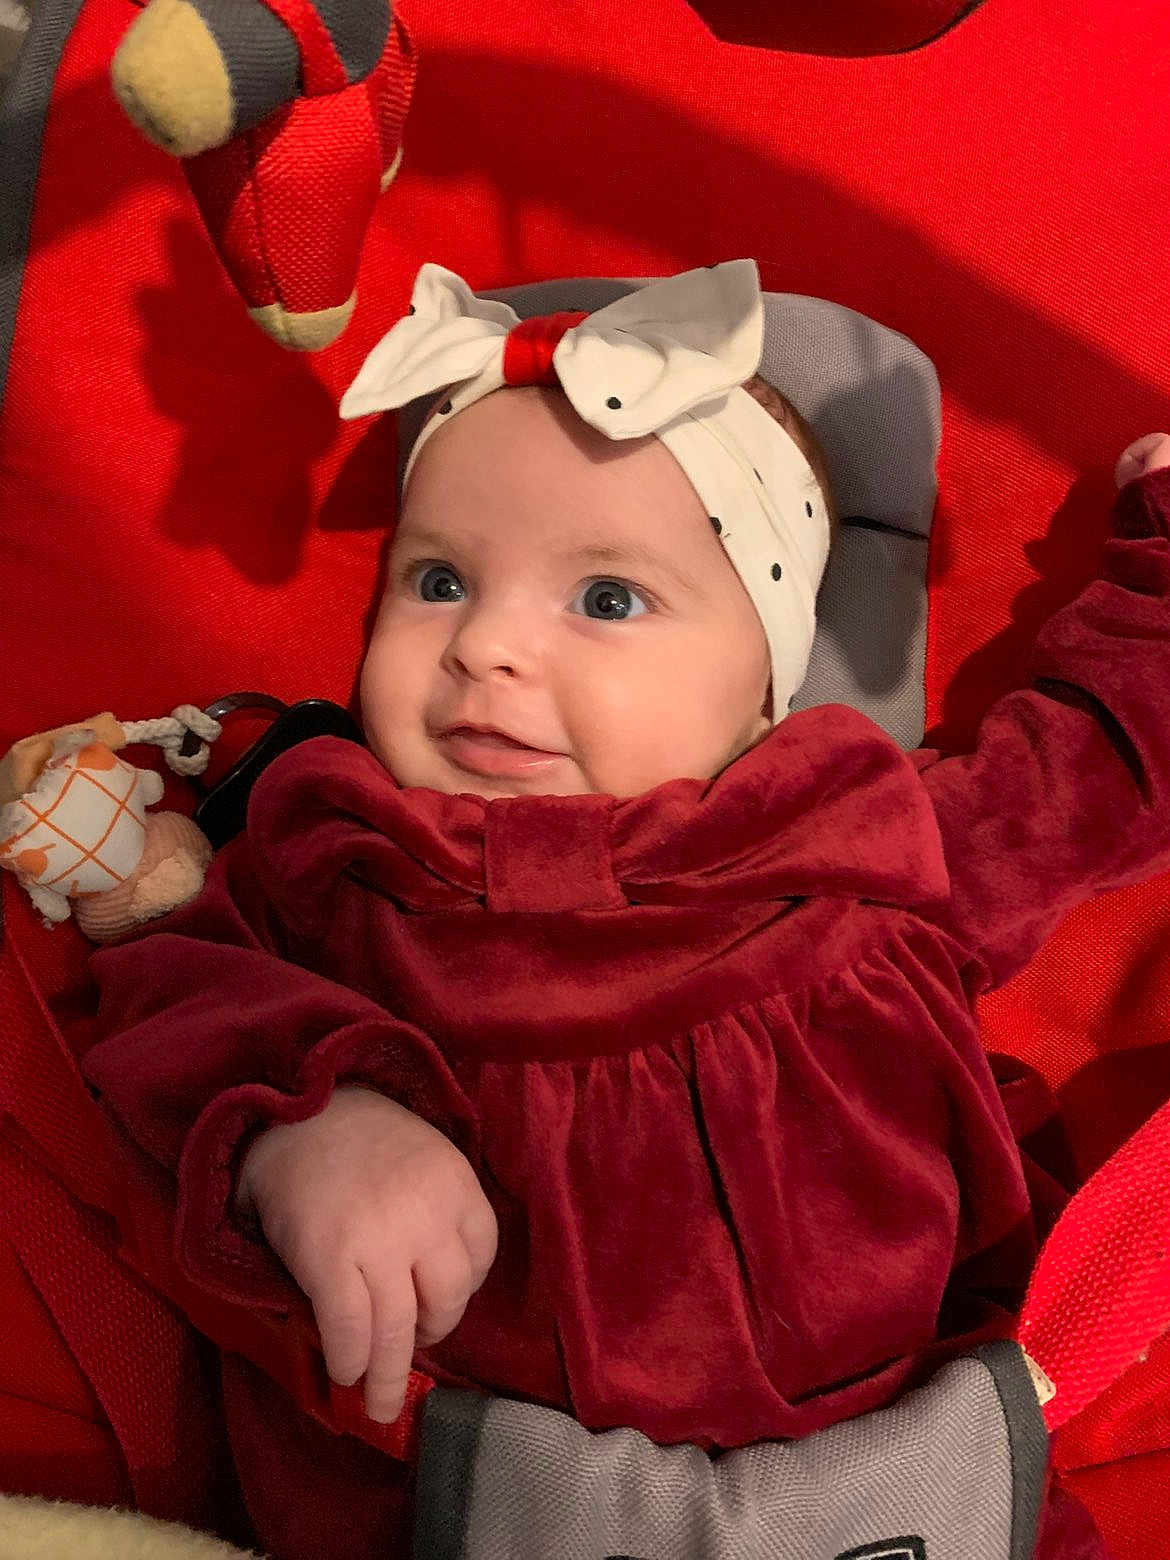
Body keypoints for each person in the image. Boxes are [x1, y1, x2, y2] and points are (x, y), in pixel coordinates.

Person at [82, 260, 1170, 1559]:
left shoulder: (866, 840)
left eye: (606, 599)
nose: (485, 645)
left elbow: (1098, 763)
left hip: (889, 1488)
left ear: (764, 685)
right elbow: (171, 987)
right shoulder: (340, 854)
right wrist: (314, 1120)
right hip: (450, 1495)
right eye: (437, 581)